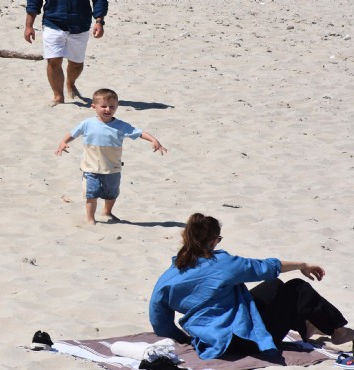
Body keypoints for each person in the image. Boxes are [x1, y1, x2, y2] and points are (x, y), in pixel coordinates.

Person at [149, 213, 354, 360]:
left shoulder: (171, 274)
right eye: (218, 239)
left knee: (273, 286)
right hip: (242, 342)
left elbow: (157, 316)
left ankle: (307, 324)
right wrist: (302, 265)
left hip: (208, 339)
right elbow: (264, 267)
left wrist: (180, 338)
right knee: (297, 287)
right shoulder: (221, 264)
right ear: (212, 241)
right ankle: (337, 331)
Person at [55, 88, 167, 224]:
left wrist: (154, 140)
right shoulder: (87, 124)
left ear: (117, 107)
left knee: (111, 194)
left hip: (112, 167)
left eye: (112, 106)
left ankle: (107, 211)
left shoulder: (120, 126)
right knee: (91, 195)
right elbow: (73, 133)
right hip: (90, 167)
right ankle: (91, 219)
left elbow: (139, 133)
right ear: (93, 107)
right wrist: (63, 142)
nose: (108, 109)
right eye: (103, 106)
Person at [24, 0, 108, 106]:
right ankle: (58, 96)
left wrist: (99, 21)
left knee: (76, 64)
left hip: (80, 25)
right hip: (52, 23)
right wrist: (29, 26)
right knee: (53, 61)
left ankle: (70, 83)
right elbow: (34, 2)